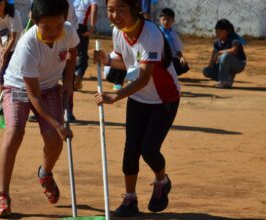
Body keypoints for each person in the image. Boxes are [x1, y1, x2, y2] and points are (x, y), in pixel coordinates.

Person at [0, 0, 79, 217]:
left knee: (53, 140)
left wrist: (69, 81)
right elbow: (33, 96)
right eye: (46, 27)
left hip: (50, 86)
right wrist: (59, 124)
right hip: (18, 87)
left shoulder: (67, 31)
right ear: (35, 21)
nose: (53, 32)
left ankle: (45, 173)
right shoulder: (27, 46)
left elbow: (72, 54)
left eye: (58, 26)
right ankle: (2, 195)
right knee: (14, 133)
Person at [94, 0, 180, 217]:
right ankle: (130, 199)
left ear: (134, 9)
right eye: (110, 10)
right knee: (130, 150)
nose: (114, 15)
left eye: (120, 9)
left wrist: (116, 95)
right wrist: (106, 60)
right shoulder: (117, 31)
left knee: (149, 150)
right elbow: (126, 61)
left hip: (163, 99)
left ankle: (162, 180)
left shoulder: (150, 33)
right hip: (138, 97)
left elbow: (143, 77)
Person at [202, 19, 246, 88]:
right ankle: (228, 78)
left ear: (227, 31)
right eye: (216, 31)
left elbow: (234, 50)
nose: (217, 33)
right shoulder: (217, 42)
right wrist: (211, 64)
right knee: (206, 71)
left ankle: (223, 81)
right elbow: (213, 57)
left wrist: (219, 53)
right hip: (224, 65)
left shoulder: (233, 37)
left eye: (220, 31)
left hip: (238, 64)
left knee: (224, 56)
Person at [0, 0, 23, 87]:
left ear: (5, 2)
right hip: (2, 49)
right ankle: (0, 99)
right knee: (1, 76)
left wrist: (6, 53)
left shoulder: (14, 14)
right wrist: (1, 49)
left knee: (13, 76)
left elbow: (13, 37)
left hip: (16, 49)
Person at [73, 0, 98, 90]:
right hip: (80, 26)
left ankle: (65, 76)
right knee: (82, 54)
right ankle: (78, 75)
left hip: (68, 24)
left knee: (67, 51)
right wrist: (92, 26)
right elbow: (94, 9)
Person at [159, 7, 189, 76]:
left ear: (173, 21)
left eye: (168, 19)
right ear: (160, 20)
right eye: (164, 19)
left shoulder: (174, 35)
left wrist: (181, 57)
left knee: (183, 65)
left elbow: (178, 50)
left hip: (172, 58)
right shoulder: (157, 32)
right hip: (160, 58)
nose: (166, 22)